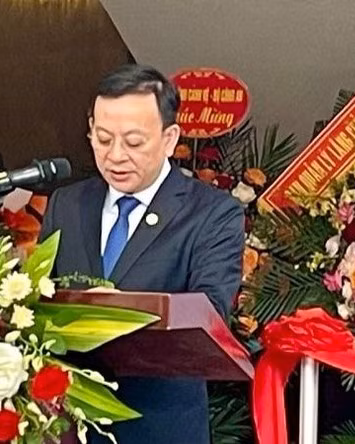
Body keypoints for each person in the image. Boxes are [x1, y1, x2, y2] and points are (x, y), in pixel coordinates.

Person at [38, 64, 245, 443]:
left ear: (169, 139)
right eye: (103, 139)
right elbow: (40, 298)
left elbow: (210, 312)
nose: (115, 156)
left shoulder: (212, 213)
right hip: (71, 424)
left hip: (159, 425)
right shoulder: (67, 203)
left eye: (134, 142)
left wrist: (117, 312)